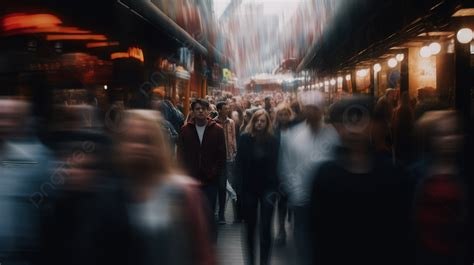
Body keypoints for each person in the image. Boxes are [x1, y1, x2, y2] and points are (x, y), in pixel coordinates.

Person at [311, 96, 416, 265]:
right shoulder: (326, 176)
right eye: (349, 121)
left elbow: (403, 230)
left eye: (360, 119)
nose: (354, 129)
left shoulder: (393, 174)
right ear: (338, 128)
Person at [279, 91, 340, 265]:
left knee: (326, 238)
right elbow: (286, 165)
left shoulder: (333, 136)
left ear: (322, 110)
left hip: (328, 199)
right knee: (303, 238)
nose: (312, 112)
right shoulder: (294, 136)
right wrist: (295, 190)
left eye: (315, 108)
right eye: (308, 108)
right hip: (302, 199)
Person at [413, 111, 468, 265]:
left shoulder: (466, 175)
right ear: (432, 139)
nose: (449, 139)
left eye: (454, 133)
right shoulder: (415, 174)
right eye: (442, 134)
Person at [177, 99, 226, 238]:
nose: (200, 111)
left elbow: (221, 155)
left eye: (203, 109)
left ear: (208, 111)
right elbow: (180, 155)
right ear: (192, 111)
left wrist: (214, 172)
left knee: (209, 212)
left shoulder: (217, 130)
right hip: (190, 180)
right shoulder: (185, 130)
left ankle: (210, 243)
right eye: (197, 109)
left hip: (210, 180)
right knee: (191, 213)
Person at [236, 109, 279, 265]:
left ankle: (264, 261)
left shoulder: (273, 140)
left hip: (268, 189)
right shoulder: (244, 139)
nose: (259, 123)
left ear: (267, 123)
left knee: (266, 228)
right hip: (249, 189)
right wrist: (239, 190)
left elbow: (276, 165)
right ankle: (250, 260)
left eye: (263, 121)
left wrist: (275, 188)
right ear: (252, 122)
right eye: (257, 120)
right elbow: (239, 165)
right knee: (250, 227)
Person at [213, 101, 237, 224]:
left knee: (228, 186)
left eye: (227, 108)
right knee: (220, 187)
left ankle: (224, 213)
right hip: (217, 159)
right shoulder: (213, 123)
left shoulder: (231, 122)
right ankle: (218, 212)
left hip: (229, 158)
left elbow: (233, 137)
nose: (227, 110)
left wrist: (234, 152)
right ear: (219, 110)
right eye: (225, 108)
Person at [273, 103, 293, 246]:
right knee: (282, 202)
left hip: (294, 170)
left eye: (286, 114)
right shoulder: (273, 132)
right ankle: (281, 229)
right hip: (278, 171)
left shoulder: (295, 131)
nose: (283, 117)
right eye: (281, 114)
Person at [392, 91, 415, 167]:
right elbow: (411, 123)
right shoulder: (410, 110)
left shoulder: (396, 110)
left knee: (400, 159)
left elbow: (394, 125)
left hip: (399, 135)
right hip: (408, 135)